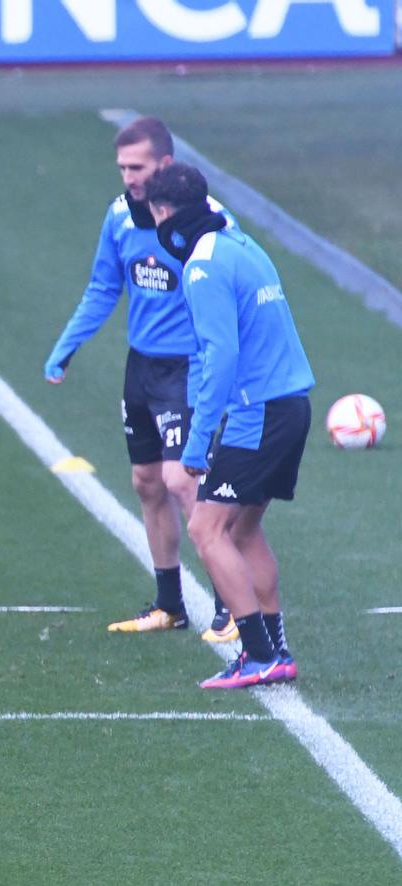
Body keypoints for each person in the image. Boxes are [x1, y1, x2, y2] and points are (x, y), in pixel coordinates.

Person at [46, 116, 235, 643]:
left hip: (188, 368)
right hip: (143, 368)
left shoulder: (210, 221)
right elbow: (104, 286)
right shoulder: (119, 218)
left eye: (138, 167)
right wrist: (66, 346)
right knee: (147, 483)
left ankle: (229, 604)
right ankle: (170, 605)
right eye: (123, 167)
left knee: (184, 481)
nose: (128, 177)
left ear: (165, 165)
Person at [146, 163, 315, 690]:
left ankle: (259, 654)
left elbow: (221, 356)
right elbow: (215, 211)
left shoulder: (202, 268)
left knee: (206, 528)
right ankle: (277, 652)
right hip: (290, 406)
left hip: (255, 413)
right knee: (242, 530)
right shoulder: (238, 242)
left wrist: (196, 445)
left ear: (162, 213)